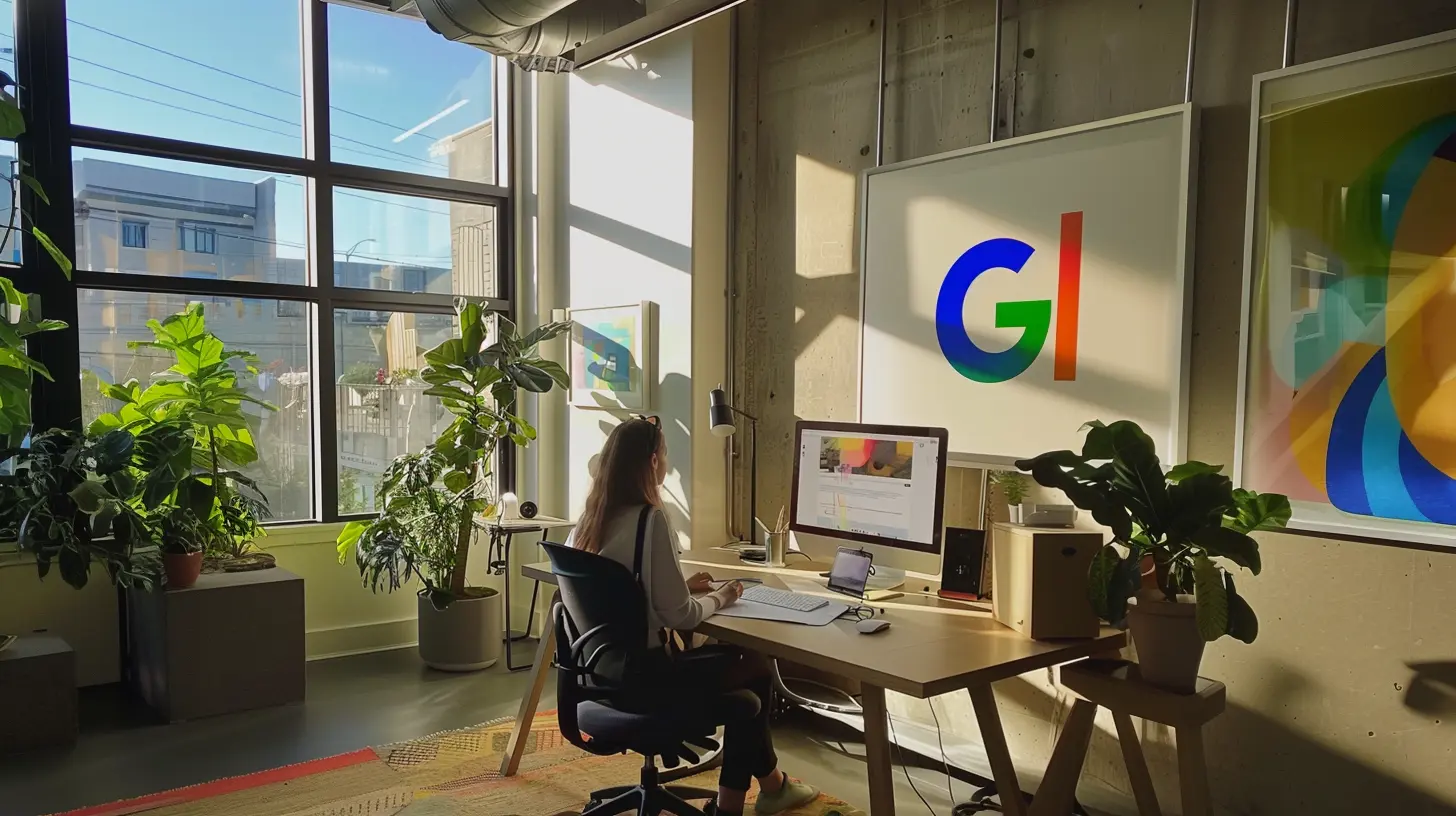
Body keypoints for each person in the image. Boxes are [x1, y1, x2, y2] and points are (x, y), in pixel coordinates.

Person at [566, 416, 819, 816]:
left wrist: (683, 587)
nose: (667, 462)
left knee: (748, 668)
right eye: (665, 454)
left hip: (599, 679)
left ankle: (772, 785)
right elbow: (680, 616)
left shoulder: (586, 523)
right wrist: (722, 595)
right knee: (754, 667)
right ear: (652, 462)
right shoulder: (651, 521)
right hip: (649, 683)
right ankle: (737, 803)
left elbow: (619, 596)